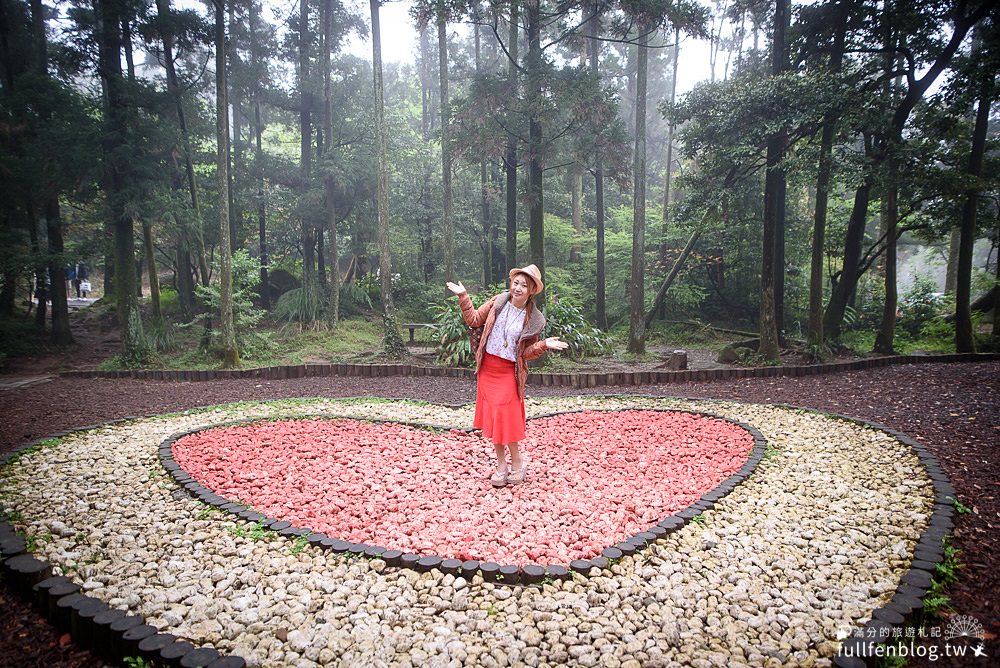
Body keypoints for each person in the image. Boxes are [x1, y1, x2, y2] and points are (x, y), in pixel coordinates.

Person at [446, 264, 569, 487]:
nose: (518, 288)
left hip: (508, 372)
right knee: (494, 419)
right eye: (516, 283)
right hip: (488, 369)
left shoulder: (534, 319)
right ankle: (501, 465)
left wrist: (543, 345)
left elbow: (525, 353)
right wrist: (463, 297)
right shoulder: (498, 302)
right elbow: (474, 320)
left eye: (524, 285)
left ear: (532, 290)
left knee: (507, 419)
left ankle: (518, 462)